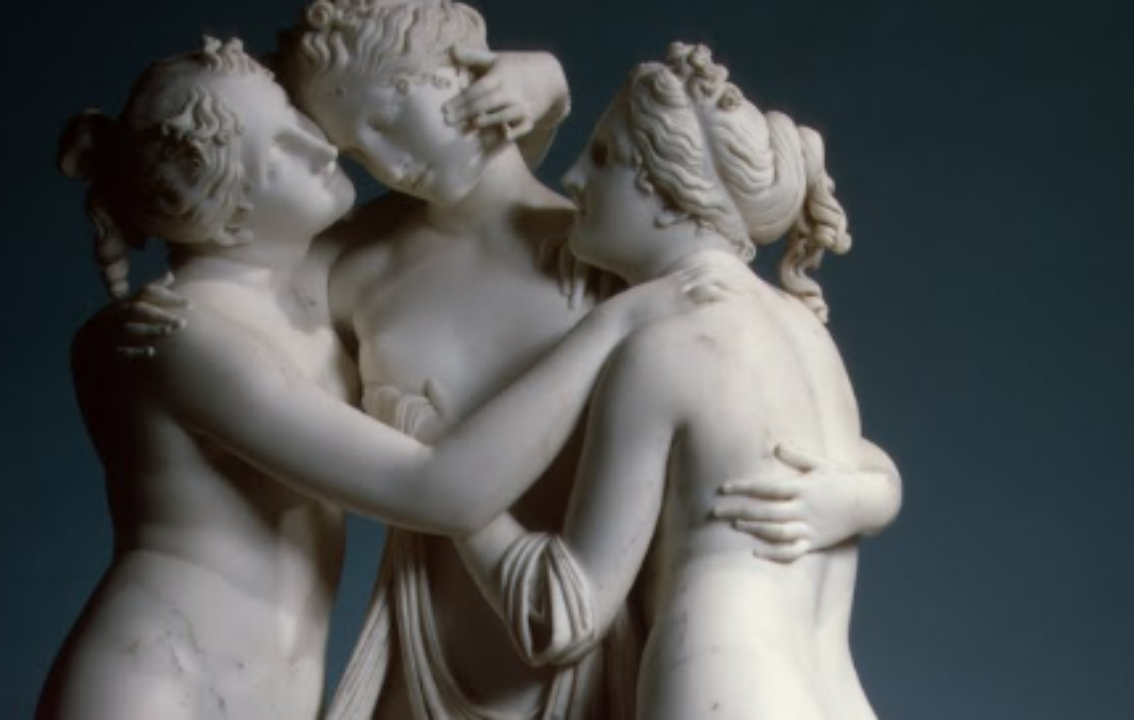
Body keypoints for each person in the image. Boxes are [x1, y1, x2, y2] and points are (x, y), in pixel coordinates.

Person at [36, 36, 713, 720]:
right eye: (279, 154)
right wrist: (618, 323)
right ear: (229, 219)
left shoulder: (312, 279)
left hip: (271, 690)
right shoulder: (186, 337)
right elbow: (441, 493)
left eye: (296, 118)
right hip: (159, 680)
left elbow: (478, 192)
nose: (322, 147)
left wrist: (544, 82)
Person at [266, 3, 903, 718]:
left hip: (602, 660)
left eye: (386, 119)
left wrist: (548, 87)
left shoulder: (621, 277)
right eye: (355, 150)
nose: (383, 164)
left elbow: (561, 602)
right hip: (437, 648)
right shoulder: (354, 267)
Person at [453, 42, 899, 720]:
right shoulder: (806, 332)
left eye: (603, 157)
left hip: (723, 684)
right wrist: (871, 498)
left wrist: (459, 499)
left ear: (667, 195)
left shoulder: (664, 349)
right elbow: (877, 475)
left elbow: (565, 615)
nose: (573, 178)